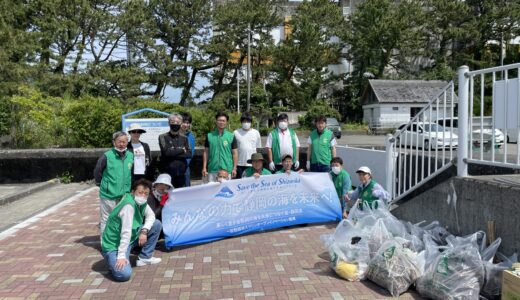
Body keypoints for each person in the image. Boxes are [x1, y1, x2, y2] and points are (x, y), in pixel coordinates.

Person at [101, 179, 162, 282]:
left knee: (156, 224)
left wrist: (144, 231)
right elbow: (126, 232)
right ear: (133, 192)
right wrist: (121, 256)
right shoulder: (128, 205)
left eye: (146, 194)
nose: (143, 196)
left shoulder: (141, 202)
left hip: (130, 238)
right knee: (124, 274)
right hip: (114, 245)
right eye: (140, 192)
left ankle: (145, 257)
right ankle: (112, 261)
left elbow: (151, 216)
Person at [94, 131, 134, 238]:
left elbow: (132, 173)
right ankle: (106, 245)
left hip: (124, 195)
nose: (122, 144)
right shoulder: (107, 156)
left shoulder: (130, 156)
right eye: (119, 141)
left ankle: (118, 242)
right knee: (106, 219)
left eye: (124, 142)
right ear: (114, 142)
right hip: (109, 195)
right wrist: (104, 186)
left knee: (122, 219)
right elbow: (97, 172)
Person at [202, 111, 238, 182]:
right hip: (212, 169)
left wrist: (234, 168)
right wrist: (204, 167)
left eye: (223, 121)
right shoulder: (209, 135)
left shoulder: (231, 136)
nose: (221, 122)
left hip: (227, 170)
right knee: (212, 191)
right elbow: (206, 152)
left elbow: (235, 153)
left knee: (226, 191)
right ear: (216, 121)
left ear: (226, 122)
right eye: (219, 120)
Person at [158, 113, 192, 188]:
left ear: (180, 123)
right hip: (167, 174)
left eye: (177, 122)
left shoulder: (184, 138)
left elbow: (189, 154)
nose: (175, 124)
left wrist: (173, 151)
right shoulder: (162, 137)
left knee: (181, 196)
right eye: (173, 122)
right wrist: (182, 150)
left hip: (181, 173)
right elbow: (166, 153)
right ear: (169, 123)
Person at [234, 112, 262, 179]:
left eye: (248, 121)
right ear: (241, 122)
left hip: (253, 164)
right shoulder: (235, 132)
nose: (246, 123)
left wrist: (259, 164)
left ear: (251, 122)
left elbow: (258, 149)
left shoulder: (256, 133)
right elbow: (233, 150)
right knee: (240, 184)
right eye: (244, 121)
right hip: (240, 164)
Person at [180, 112, 195, 187]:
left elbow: (190, 153)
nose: (185, 125)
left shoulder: (190, 136)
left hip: (185, 168)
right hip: (173, 168)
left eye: (188, 123)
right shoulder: (173, 135)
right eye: (183, 122)